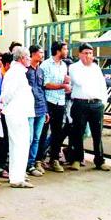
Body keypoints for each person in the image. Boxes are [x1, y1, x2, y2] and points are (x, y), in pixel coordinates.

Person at [69, 43, 110, 171]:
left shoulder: (96, 68)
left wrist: (104, 101)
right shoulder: (74, 67)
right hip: (80, 103)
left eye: (90, 53)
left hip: (96, 104)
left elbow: (102, 85)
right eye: (85, 53)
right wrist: (87, 67)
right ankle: (77, 159)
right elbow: (79, 81)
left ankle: (99, 160)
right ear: (80, 54)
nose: (88, 56)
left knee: (97, 133)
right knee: (78, 133)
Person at [1, 47, 35, 188]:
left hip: (20, 112)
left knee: (21, 144)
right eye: (28, 57)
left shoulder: (18, 72)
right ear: (21, 58)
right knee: (18, 144)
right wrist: (7, 106)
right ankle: (16, 178)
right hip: (16, 113)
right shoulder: (15, 73)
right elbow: (7, 94)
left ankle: (18, 176)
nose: (29, 59)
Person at [40, 41, 71, 172]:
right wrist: (62, 86)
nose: (67, 51)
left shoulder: (63, 65)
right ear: (58, 51)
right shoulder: (46, 64)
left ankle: (54, 159)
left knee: (57, 133)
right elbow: (46, 84)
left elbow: (61, 82)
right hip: (48, 101)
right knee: (42, 132)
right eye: (65, 49)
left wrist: (65, 83)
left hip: (60, 101)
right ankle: (38, 160)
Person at [26, 45, 48, 177]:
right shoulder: (25, 70)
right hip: (28, 108)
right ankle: (24, 164)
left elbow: (42, 90)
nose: (42, 55)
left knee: (36, 138)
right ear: (33, 54)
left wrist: (46, 110)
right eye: (40, 52)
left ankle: (31, 164)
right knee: (27, 138)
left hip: (40, 108)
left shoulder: (41, 71)